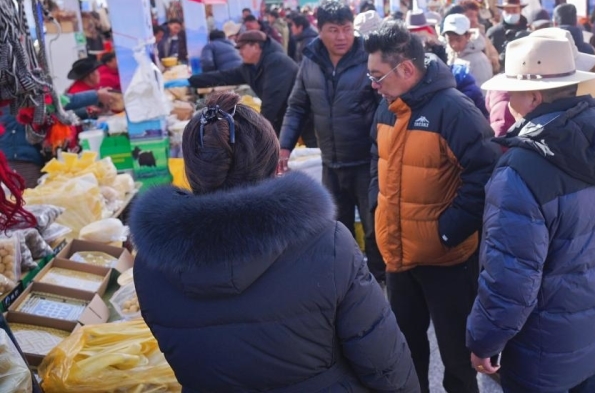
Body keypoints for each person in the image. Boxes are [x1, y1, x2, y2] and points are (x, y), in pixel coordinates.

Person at [129, 92, 418, 392]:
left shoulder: (151, 263)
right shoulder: (327, 244)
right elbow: (385, 366)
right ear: (273, 165)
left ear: (192, 170)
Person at [466, 36, 595, 392]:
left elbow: (509, 281)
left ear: (534, 98)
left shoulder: (519, 170)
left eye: (513, 92)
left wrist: (484, 340)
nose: (508, 101)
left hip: (540, 352)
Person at [365, 21, 499, 393]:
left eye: (377, 75)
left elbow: (486, 174)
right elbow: (377, 160)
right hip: (399, 256)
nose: (373, 84)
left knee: (457, 358)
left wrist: (445, 232)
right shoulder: (388, 107)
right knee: (404, 353)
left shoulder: (454, 110)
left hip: (447, 260)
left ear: (406, 69)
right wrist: (378, 210)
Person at [279, 1, 384, 283]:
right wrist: (284, 146)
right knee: (337, 229)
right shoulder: (310, 59)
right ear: (320, 30)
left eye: (347, 29)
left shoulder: (369, 58)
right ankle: (347, 285)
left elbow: (385, 108)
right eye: (333, 30)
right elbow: (297, 106)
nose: (341, 37)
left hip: (367, 162)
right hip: (331, 163)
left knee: (375, 229)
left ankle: (379, 285)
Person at [0, 89, 116, 187]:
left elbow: (56, 108)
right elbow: (59, 101)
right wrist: (96, 95)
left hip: (16, 157)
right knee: (29, 199)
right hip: (20, 160)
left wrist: (87, 110)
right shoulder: (21, 90)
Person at [188, 31, 298, 134]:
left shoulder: (278, 62)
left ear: (255, 47)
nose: (239, 53)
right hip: (283, 119)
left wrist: (259, 130)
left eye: (242, 48)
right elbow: (223, 76)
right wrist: (192, 80)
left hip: (299, 119)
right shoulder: (249, 68)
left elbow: (272, 101)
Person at [441, 14, 492, 87]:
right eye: (450, 40)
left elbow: (483, 90)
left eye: (458, 39)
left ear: (468, 36)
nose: (454, 44)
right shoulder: (453, 56)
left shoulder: (479, 60)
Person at [486, 0, 529, 70]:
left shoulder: (528, 30)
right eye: (508, 11)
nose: (511, 13)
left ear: (520, 10)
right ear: (503, 11)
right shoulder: (494, 32)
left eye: (514, 10)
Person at [457, 0, 500, 73]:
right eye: (470, 15)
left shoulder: (481, 35)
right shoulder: (455, 37)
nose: (473, 19)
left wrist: (492, 61)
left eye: (475, 16)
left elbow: (493, 54)